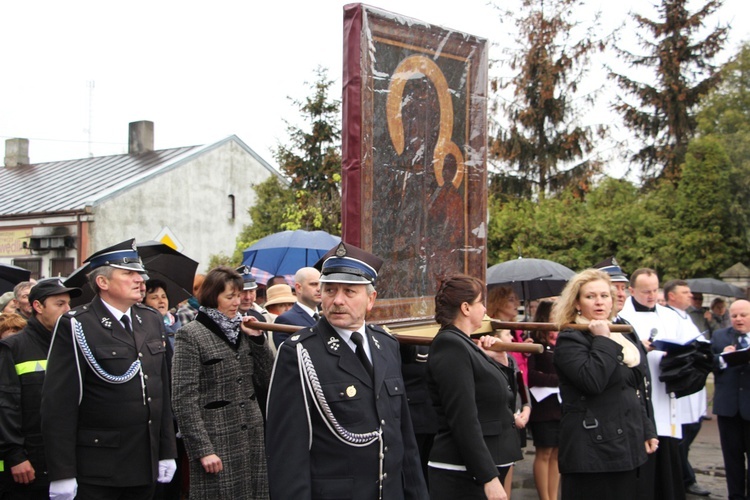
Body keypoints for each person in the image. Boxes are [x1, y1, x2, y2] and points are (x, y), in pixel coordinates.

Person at [266, 242, 427, 499]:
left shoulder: (386, 345)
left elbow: (404, 439)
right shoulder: (298, 353)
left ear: (370, 299)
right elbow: (287, 456)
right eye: (329, 290)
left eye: (349, 292)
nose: (337, 300)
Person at [41, 239, 177, 500]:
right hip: (99, 467)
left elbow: (162, 390)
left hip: (145, 460)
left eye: (140, 273)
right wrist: (62, 472)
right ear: (102, 282)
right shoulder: (77, 324)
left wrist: (166, 450)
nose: (140, 279)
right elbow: (58, 405)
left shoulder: (149, 319)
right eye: (129, 273)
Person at [552, 269, 658, 500]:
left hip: (625, 441)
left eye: (604, 296)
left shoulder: (621, 335)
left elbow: (631, 388)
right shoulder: (571, 338)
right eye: (590, 297)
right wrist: (601, 339)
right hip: (592, 449)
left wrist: (646, 429)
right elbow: (592, 381)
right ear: (577, 303)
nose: (599, 302)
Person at [171, 266, 273, 499]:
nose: (237, 301)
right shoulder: (191, 335)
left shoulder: (246, 328)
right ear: (212, 296)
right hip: (216, 439)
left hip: (252, 435)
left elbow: (266, 379)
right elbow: (183, 399)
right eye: (230, 296)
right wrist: (202, 450)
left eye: (239, 295)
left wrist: (257, 342)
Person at [426, 275, 521, 500]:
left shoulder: (466, 344)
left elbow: (502, 396)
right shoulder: (450, 345)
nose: (485, 308)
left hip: (481, 465)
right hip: (463, 473)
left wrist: (500, 359)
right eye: (481, 302)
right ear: (466, 308)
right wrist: (487, 477)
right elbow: (463, 419)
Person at [0, 279, 81, 500]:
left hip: (70, 458)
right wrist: (15, 456)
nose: (67, 310)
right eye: (60, 304)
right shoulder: (13, 347)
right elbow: (6, 405)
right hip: (30, 463)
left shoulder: (75, 344)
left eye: (69, 304)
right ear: (38, 306)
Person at [619, 268, 687, 500]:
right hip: (639, 391)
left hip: (665, 387)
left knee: (667, 451)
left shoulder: (670, 315)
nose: (651, 295)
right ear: (632, 290)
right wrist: (641, 348)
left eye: (655, 290)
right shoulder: (624, 317)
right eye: (645, 291)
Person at [663, 279, 711, 497]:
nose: (690, 295)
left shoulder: (686, 316)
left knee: (692, 427)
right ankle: (685, 477)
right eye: (685, 292)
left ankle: (685, 475)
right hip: (680, 382)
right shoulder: (667, 316)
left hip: (694, 381)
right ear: (671, 296)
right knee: (681, 436)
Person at [711, 299, 750, 500]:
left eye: (743, 315)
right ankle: (735, 496)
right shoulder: (719, 336)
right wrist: (722, 358)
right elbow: (706, 362)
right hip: (728, 408)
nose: (738, 319)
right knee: (732, 459)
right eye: (734, 316)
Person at [527, 300, 561, 500]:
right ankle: (544, 497)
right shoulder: (535, 339)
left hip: (560, 403)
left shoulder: (563, 339)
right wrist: (557, 380)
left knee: (557, 453)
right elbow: (530, 374)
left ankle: (553, 496)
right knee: (544, 451)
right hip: (543, 403)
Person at [274, 267, 322, 347]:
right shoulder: (285, 320)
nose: (319, 289)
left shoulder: (326, 317)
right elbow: (287, 355)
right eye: (313, 284)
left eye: (321, 284)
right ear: (299, 288)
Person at [144, 279, 181, 351]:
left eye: (164, 297)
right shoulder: (143, 329)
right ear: (144, 303)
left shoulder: (179, 323)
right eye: (154, 298)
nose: (161, 301)